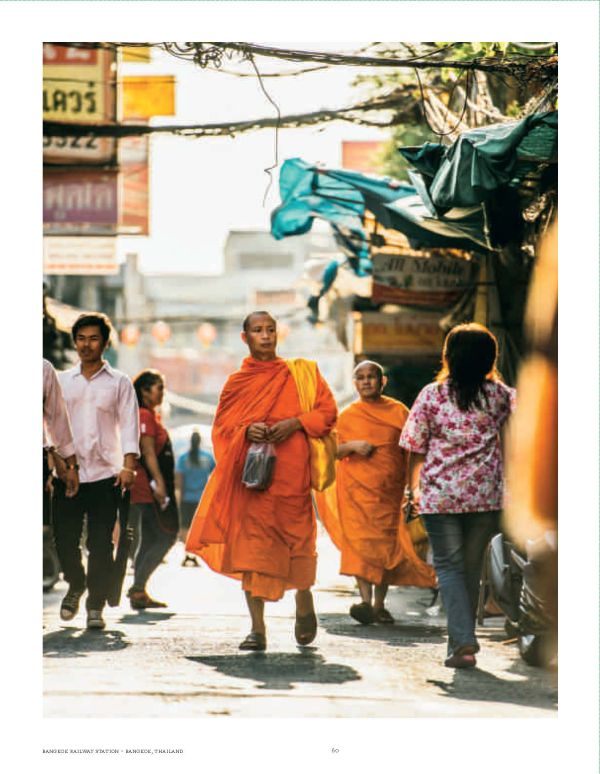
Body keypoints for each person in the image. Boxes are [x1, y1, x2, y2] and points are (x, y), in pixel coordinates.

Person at [185, 311, 337, 651]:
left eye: (270, 330)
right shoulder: (237, 383)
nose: (266, 336)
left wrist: (296, 423)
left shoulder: (303, 374)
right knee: (252, 551)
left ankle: (304, 597)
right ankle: (257, 629)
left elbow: (328, 414)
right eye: (258, 330)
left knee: (298, 542)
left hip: (293, 481)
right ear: (245, 338)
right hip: (253, 484)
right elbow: (222, 432)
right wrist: (246, 430)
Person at [400, 322, 514, 669]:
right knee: (469, 568)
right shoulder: (502, 396)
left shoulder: (431, 395)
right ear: (489, 359)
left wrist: (412, 489)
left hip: (440, 497)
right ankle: (460, 642)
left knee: (448, 568)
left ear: (448, 356)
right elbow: (517, 443)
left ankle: (463, 642)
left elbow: (414, 447)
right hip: (485, 496)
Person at [315, 361, 436, 625]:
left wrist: (413, 487)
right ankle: (365, 601)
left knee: (386, 548)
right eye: (361, 377)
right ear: (354, 383)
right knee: (360, 544)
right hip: (356, 493)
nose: (367, 381)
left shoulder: (398, 411)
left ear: (383, 382)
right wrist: (354, 446)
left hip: (389, 493)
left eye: (372, 377)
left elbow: (413, 449)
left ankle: (379, 605)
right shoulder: (347, 416)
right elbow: (331, 451)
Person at [53, 313, 139, 630]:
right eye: (81, 338)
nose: (86, 345)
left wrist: (129, 465)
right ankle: (76, 583)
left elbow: (130, 426)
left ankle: (94, 607)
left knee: (101, 544)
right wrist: (56, 465)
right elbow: (48, 426)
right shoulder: (61, 381)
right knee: (64, 541)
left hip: (106, 475)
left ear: (104, 343)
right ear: (75, 342)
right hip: (68, 475)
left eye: (93, 338)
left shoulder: (120, 383)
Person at [127, 369, 179, 609]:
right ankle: (137, 587)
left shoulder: (149, 415)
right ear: (144, 391)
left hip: (148, 486)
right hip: (147, 487)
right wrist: (159, 485)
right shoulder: (144, 415)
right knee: (167, 535)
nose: (162, 393)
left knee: (149, 538)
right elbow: (147, 453)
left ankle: (139, 592)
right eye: (159, 388)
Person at [175, 430, 215, 567]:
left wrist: (178, 500)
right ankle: (195, 555)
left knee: (185, 527)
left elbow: (179, 482)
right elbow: (215, 476)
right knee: (197, 528)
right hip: (202, 499)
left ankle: (187, 555)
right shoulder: (208, 458)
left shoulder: (183, 458)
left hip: (187, 499)